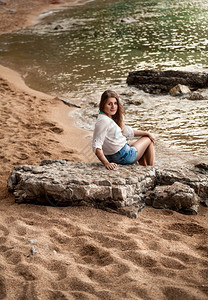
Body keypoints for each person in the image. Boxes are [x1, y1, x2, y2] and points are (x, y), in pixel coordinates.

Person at [92, 90, 155, 170]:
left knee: (143, 140)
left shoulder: (106, 117)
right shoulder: (104, 121)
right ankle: (152, 169)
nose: (113, 107)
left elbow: (126, 131)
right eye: (109, 104)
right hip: (123, 156)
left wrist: (146, 132)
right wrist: (106, 163)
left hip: (115, 155)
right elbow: (96, 145)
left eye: (115, 103)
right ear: (103, 105)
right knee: (148, 139)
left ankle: (144, 168)